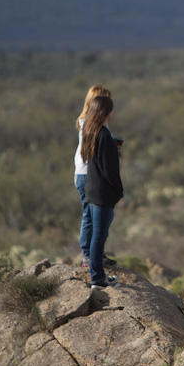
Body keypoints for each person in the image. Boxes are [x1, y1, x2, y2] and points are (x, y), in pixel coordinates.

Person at [81, 95, 124, 289]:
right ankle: (97, 278)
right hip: (102, 194)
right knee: (99, 236)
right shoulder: (104, 136)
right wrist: (118, 191)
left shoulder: (90, 132)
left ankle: (97, 275)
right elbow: (110, 171)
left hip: (91, 190)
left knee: (96, 235)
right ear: (106, 113)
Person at [74, 84, 116, 268]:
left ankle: (95, 253)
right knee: (90, 217)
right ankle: (87, 256)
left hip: (91, 175)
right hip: (88, 175)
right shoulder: (87, 123)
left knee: (99, 217)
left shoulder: (95, 123)